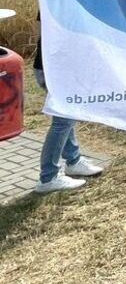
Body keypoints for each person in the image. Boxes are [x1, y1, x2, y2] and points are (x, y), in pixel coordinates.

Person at [33, 12, 103, 193]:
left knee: (66, 117)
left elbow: (39, 32)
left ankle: (73, 160)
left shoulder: (56, 0)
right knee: (63, 122)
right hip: (56, 70)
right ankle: (48, 178)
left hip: (51, 68)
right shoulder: (60, 2)